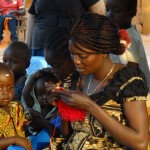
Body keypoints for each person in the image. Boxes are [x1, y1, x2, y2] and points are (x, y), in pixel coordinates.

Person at [50, 13, 149, 149]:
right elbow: (68, 134)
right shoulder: (75, 79)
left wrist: (91, 107)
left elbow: (140, 143)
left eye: (83, 55)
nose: (76, 61)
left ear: (103, 52)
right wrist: (63, 107)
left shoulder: (128, 81)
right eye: (72, 54)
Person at [25, 0, 105, 56]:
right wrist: (26, 47)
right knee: (40, 78)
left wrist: (93, 44)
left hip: (72, 49)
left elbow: (100, 13)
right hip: (40, 48)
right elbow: (32, 16)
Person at [105, 0, 150, 92]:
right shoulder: (126, 31)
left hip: (137, 94)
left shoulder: (127, 39)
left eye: (116, 11)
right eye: (107, 9)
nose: (109, 14)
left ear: (132, 13)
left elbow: (129, 74)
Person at [0, 62, 32, 150]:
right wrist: (14, 140)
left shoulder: (16, 107)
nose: (6, 92)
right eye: (0, 87)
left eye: (10, 87)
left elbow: (27, 124)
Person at [22, 68, 61, 136]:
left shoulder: (56, 111)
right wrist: (33, 76)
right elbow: (25, 93)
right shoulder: (34, 106)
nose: (44, 97)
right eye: (40, 94)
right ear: (35, 94)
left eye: (49, 93)